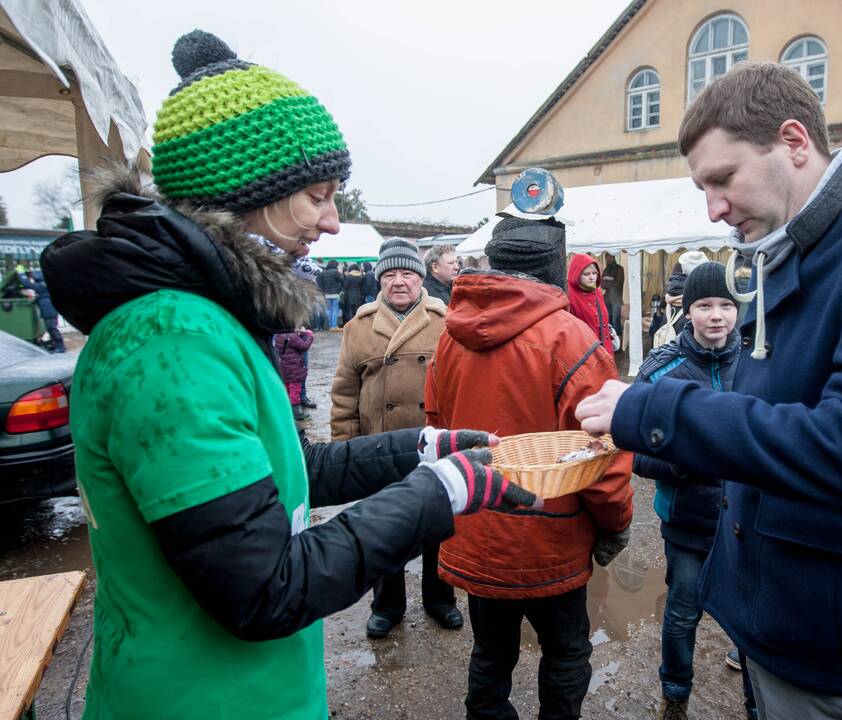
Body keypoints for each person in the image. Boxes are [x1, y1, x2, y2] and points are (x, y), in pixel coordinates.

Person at [39, 30, 535, 719]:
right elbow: (266, 588)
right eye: (318, 195)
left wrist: (420, 450)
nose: (334, 222)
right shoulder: (171, 344)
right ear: (246, 194)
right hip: (201, 702)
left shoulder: (207, 321)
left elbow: (283, 473)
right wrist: (441, 493)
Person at [576, 62, 842, 717]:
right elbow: (762, 419)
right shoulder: (787, 256)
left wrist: (655, 409)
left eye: (721, 179)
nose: (711, 208)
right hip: (784, 631)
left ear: (793, 143)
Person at [426, 215, 634, 720]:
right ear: (554, 265)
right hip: (551, 539)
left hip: (478, 528)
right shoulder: (571, 338)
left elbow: (436, 424)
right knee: (565, 652)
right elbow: (604, 454)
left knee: (490, 653)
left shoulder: (451, 336)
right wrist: (616, 524)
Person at [632, 262, 750, 720]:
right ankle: (675, 690)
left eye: (726, 304)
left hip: (748, 516)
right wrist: (694, 457)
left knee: (750, 604)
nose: (717, 315)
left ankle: (755, 691)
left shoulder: (761, 364)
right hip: (688, 518)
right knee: (683, 610)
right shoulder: (662, 371)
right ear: (688, 310)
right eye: (705, 305)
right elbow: (637, 453)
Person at [330, 237, 462, 639]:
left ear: (420, 277)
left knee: (438, 522)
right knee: (384, 528)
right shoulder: (359, 327)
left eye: (406, 273)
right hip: (377, 446)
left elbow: (459, 385)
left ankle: (441, 600)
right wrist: (344, 450)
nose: (398, 282)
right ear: (379, 280)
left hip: (432, 444)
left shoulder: (446, 320)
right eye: (390, 274)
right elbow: (343, 393)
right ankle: (387, 605)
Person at [566, 253, 615, 355]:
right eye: (586, 274)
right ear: (577, 274)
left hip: (605, 352)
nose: (592, 277)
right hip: (586, 355)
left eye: (594, 273)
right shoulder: (569, 295)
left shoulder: (597, 292)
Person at [18, 269, 65, 353]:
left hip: (49, 311)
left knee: (52, 328)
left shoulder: (42, 286)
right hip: (49, 310)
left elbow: (27, 284)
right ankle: (57, 345)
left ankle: (60, 347)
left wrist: (21, 275)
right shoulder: (46, 285)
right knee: (50, 328)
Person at [274, 327, 314, 420]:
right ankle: (297, 412)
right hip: (294, 369)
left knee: (287, 389)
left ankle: (288, 411)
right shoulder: (292, 336)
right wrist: (309, 336)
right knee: (295, 390)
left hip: (284, 368)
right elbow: (304, 346)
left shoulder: (279, 335)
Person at [602, 257, 624, 342]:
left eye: (610, 257)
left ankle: (618, 342)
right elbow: (602, 284)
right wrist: (610, 280)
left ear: (614, 257)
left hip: (616, 300)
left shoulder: (619, 269)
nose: (609, 259)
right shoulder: (606, 270)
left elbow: (618, 283)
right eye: (607, 257)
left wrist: (608, 280)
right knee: (608, 321)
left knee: (616, 321)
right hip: (607, 300)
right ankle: (609, 342)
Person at [317, 259, 344, 328]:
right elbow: (342, 280)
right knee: (335, 310)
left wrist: (323, 291)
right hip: (335, 294)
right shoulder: (335, 272)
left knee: (329, 310)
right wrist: (340, 289)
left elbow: (319, 284)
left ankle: (329, 324)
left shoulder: (323, 273)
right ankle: (333, 325)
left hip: (326, 294)